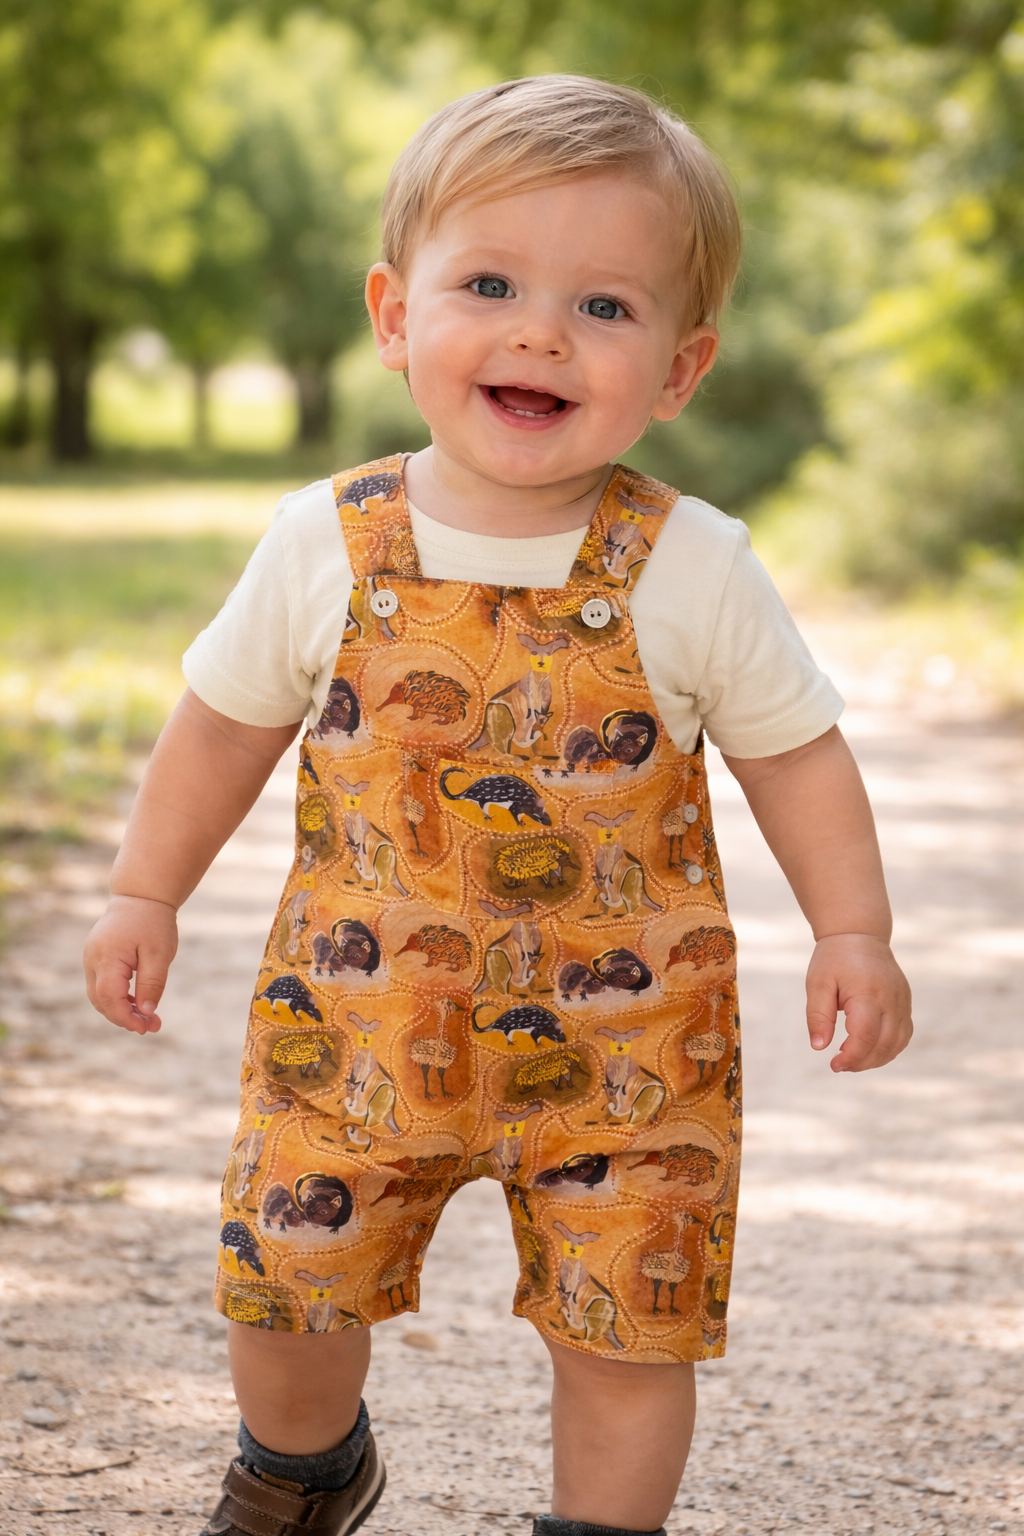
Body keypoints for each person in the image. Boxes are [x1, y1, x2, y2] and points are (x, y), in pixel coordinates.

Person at [83, 75, 913, 1536]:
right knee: (285, 1282)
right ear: (395, 315)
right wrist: (145, 889)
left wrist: (856, 930)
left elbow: (797, 756)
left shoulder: (693, 565)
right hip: (353, 1025)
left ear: (680, 367)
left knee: (626, 1326)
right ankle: (302, 1464)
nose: (540, 331)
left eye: (605, 307)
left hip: (630, 1036)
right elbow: (223, 725)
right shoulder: (325, 540)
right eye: (491, 284)